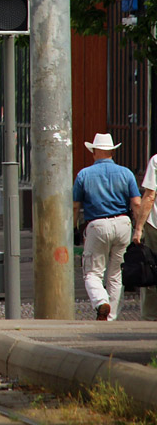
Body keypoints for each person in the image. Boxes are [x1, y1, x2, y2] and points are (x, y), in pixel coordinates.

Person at [73, 133, 141, 321]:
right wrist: (138, 228)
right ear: (112, 151)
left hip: (97, 225)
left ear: (94, 152)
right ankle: (111, 317)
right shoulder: (126, 173)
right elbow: (136, 203)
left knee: (92, 273)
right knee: (116, 273)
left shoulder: (84, 174)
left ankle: (101, 301)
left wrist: (74, 228)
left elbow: (75, 206)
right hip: (123, 224)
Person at [135, 151, 157, 321]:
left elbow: (149, 196)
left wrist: (139, 228)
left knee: (152, 268)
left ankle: (150, 315)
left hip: (155, 226)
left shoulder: (156, 161)